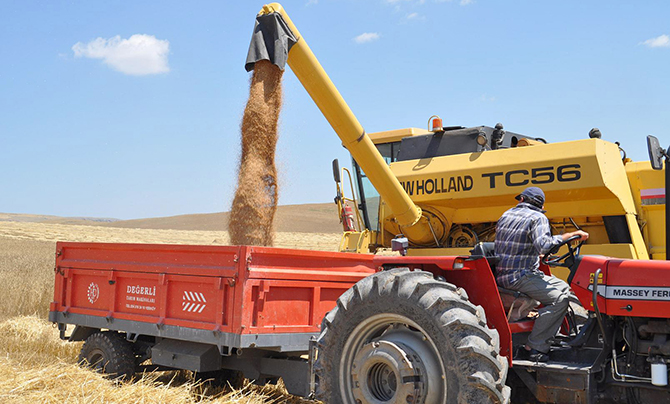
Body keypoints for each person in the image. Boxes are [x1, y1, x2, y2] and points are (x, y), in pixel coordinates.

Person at [495, 186, 589, 362]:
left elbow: (516, 244)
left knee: (565, 288)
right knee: (559, 299)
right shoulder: (538, 218)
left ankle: (556, 332)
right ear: (541, 205)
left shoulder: (506, 215)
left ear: (521, 200)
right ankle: (535, 347)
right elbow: (545, 246)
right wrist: (570, 235)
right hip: (520, 276)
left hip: (505, 273)